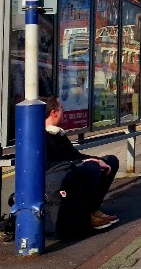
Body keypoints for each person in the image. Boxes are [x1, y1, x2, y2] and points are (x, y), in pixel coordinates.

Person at [42, 96, 119, 230]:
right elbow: (53, 163)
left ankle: (93, 210)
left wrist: (97, 159)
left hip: (70, 166)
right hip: (57, 175)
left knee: (111, 161)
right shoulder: (43, 137)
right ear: (54, 113)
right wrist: (86, 161)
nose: (63, 112)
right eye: (61, 109)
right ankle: (85, 215)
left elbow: (75, 155)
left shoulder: (58, 134)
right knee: (92, 168)